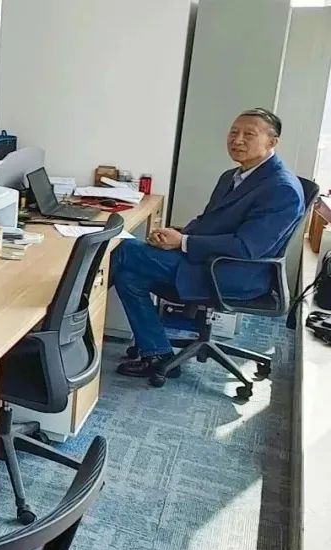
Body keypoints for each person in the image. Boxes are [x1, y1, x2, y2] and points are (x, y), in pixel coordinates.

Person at [112, 108, 304, 378]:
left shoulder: (281, 188)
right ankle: (158, 353)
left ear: (272, 142)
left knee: (122, 249)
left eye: (249, 134)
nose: (237, 140)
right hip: (207, 260)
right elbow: (208, 221)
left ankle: (67, 319)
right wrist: (174, 236)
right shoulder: (233, 176)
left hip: (235, 272)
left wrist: (184, 242)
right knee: (128, 275)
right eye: (233, 132)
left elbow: (247, 247)